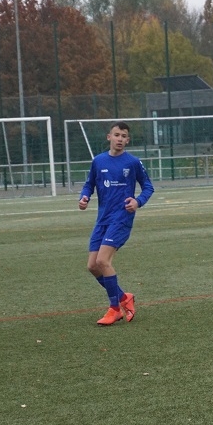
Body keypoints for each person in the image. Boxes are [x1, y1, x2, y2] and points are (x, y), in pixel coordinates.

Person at [78, 121, 155, 326]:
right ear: (109, 137)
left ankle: (114, 309)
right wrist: (84, 197)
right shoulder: (98, 161)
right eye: (116, 135)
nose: (120, 139)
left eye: (123, 136)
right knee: (92, 266)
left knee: (103, 261)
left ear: (127, 140)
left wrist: (137, 201)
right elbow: (89, 185)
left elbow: (148, 187)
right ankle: (123, 297)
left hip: (121, 218)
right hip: (102, 219)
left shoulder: (133, 162)